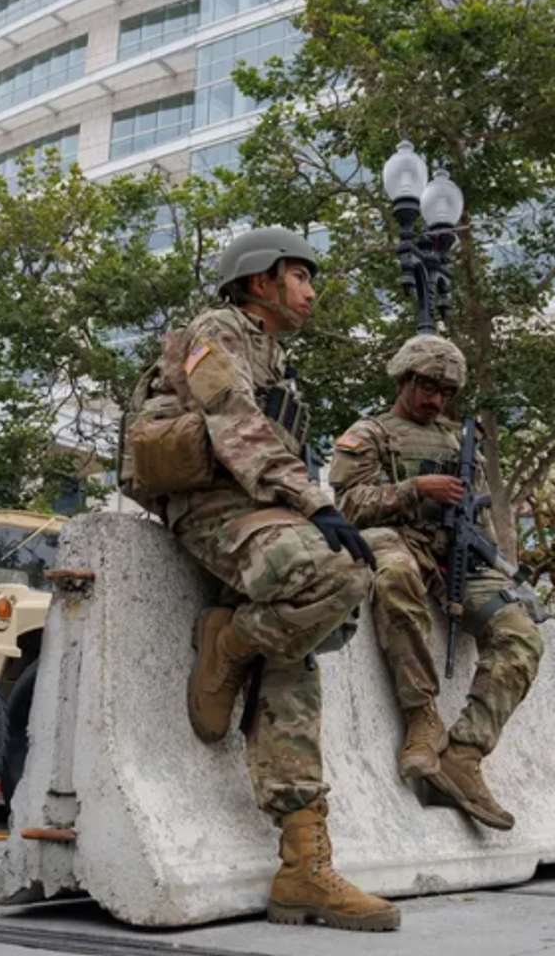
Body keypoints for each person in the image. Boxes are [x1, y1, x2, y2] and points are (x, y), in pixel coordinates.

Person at [124, 226, 399, 932]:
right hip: (210, 509)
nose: (311, 291)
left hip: (260, 513)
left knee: (295, 664)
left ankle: (303, 866)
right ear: (259, 281)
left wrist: (306, 505)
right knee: (337, 574)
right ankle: (230, 642)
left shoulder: (278, 359)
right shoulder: (218, 331)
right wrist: (315, 502)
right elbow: (233, 421)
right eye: (300, 276)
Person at [327, 334, 543, 831]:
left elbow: (479, 510)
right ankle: (422, 717)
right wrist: (414, 489)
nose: (436, 400)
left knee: (521, 634)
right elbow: (349, 507)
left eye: (446, 392)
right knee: (395, 574)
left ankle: (464, 754)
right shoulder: (370, 434)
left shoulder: (457, 443)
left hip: (453, 554)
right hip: (394, 540)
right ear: (404, 379)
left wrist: (489, 557)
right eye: (428, 387)